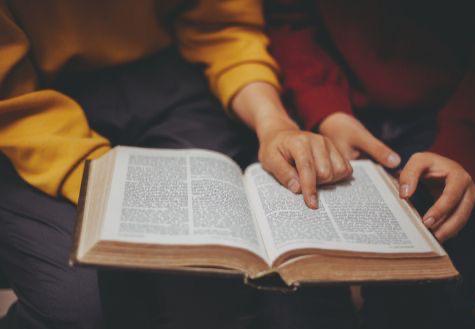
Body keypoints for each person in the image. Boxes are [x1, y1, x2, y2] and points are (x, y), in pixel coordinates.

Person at [0, 1, 354, 328]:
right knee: (82, 303)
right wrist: (105, 179)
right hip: (27, 111)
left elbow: (222, 27)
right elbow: (11, 96)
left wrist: (274, 122)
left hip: (172, 72)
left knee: (215, 273)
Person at [266, 0, 475, 328]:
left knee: (432, 282)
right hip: (332, 97)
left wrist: (463, 145)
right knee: (300, 282)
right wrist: (327, 110)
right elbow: (288, 19)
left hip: (455, 110)